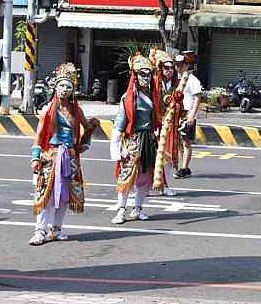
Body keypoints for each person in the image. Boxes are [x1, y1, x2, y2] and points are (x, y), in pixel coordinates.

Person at [28, 63, 99, 245]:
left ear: (73, 90)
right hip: (51, 156)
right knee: (45, 193)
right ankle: (40, 231)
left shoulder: (77, 111)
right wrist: (36, 157)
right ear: (55, 86)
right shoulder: (47, 111)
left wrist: (92, 128)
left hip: (70, 157)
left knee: (65, 195)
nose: (65, 90)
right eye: (62, 85)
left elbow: (86, 132)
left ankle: (56, 229)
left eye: (69, 86)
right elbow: (38, 136)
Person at [110, 54, 159, 224]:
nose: (145, 78)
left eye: (148, 75)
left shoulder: (154, 96)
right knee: (126, 175)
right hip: (132, 140)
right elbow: (119, 123)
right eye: (142, 74)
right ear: (136, 76)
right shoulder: (129, 97)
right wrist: (117, 148)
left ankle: (137, 209)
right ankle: (120, 210)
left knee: (145, 177)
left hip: (148, 140)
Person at [149, 47, 178, 196]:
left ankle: (165, 185)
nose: (169, 71)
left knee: (167, 157)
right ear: (160, 68)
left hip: (170, 125)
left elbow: (181, 105)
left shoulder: (177, 84)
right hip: (154, 123)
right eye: (166, 68)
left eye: (172, 68)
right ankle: (146, 186)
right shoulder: (153, 82)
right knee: (149, 156)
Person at [173, 51, 203, 179]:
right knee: (179, 143)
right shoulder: (176, 80)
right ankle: (184, 166)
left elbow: (197, 98)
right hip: (177, 115)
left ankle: (184, 168)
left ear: (186, 65)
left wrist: (192, 115)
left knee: (186, 143)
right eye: (177, 65)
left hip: (187, 115)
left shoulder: (193, 80)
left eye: (181, 65)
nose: (179, 68)